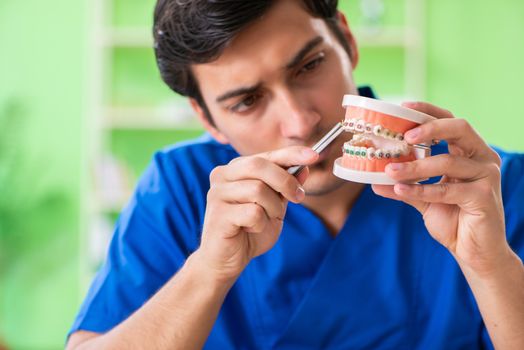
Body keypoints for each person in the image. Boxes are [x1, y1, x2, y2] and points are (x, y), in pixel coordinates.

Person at [66, 0, 524, 349]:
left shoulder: (489, 187)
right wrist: (208, 271)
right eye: (247, 101)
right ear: (206, 118)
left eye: (309, 66)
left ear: (347, 40)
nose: (300, 122)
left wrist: (492, 268)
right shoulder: (179, 187)